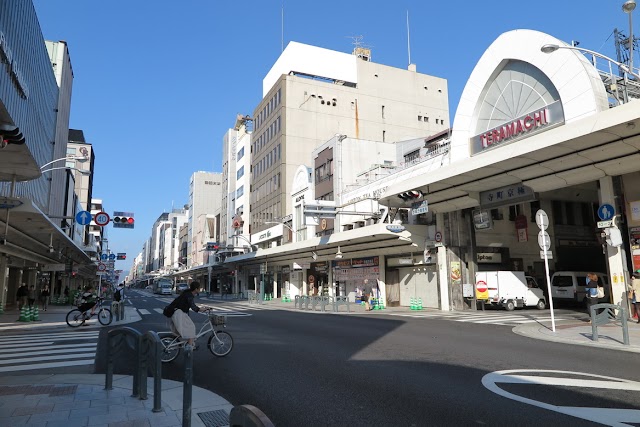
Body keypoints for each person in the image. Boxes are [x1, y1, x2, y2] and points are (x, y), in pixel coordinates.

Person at [168, 281, 203, 346]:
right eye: (199, 288)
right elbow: (194, 308)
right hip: (179, 314)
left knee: (184, 330)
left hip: (177, 312)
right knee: (191, 328)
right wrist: (203, 309)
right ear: (196, 289)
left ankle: (188, 343)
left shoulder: (187, 293)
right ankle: (189, 349)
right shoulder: (189, 295)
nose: (200, 289)